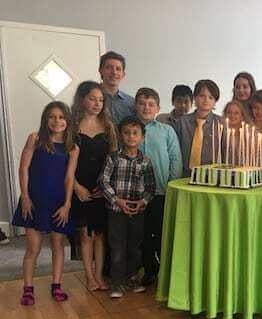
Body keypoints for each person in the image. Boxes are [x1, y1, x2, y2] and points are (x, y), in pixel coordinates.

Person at [12, 101, 80, 305]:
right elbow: (23, 169)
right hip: (34, 201)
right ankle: (28, 288)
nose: (56, 121)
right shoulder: (35, 139)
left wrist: (67, 204)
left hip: (59, 202)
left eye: (61, 117)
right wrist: (25, 196)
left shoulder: (72, 147)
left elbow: (69, 178)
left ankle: (56, 285)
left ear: (67, 121)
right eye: (52, 116)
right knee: (33, 247)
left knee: (58, 244)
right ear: (45, 119)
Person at [100, 116, 156, 299]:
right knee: (117, 247)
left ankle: (132, 278)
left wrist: (143, 202)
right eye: (127, 133)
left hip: (137, 211)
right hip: (116, 210)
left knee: (135, 247)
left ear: (142, 137)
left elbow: (150, 187)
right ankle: (117, 283)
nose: (131, 137)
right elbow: (103, 181)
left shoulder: (146, 162)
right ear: (120, 135)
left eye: (135, 133)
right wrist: (116, 200)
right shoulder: (113, 158)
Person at [71, 81, 118, 292]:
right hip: (79, 187)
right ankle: (88, 276)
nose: (97, 103)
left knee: (100, 235)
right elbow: (63, 162)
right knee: (85, 235)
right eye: (92, 98)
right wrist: (76, 187)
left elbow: (114, 159)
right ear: (82, 99)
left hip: (102, 187)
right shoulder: (71, 126)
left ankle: (99, 276)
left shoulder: (108, 126)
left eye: (101, 100)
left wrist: (106, 185)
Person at [134, 87, 182, 286]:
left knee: (162, 232)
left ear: (158, 108)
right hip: (135, 193)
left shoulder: (166, 131)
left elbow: (175, 160)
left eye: (151, 104)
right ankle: (149, 269)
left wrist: (171, 186)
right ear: (135, 106)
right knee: (141, 234)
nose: (146, 108)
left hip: (161, 192)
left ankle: (166, 270)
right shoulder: (128, 129)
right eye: (142, 104)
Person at [174, 80, 222, 176]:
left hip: (212, 174)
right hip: (185, 173)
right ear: (195, 98)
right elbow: (176, 150)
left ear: (215, 101)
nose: (206, 100)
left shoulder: (221, 123)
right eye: (202, 96)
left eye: (211, 97)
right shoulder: (182, 122)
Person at [98, 51, 135, 125]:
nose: (114, 72)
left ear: (123, 74)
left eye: (118, 69)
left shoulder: (131, 102)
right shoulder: (90, 99)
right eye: (109, 68)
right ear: (100, 71)